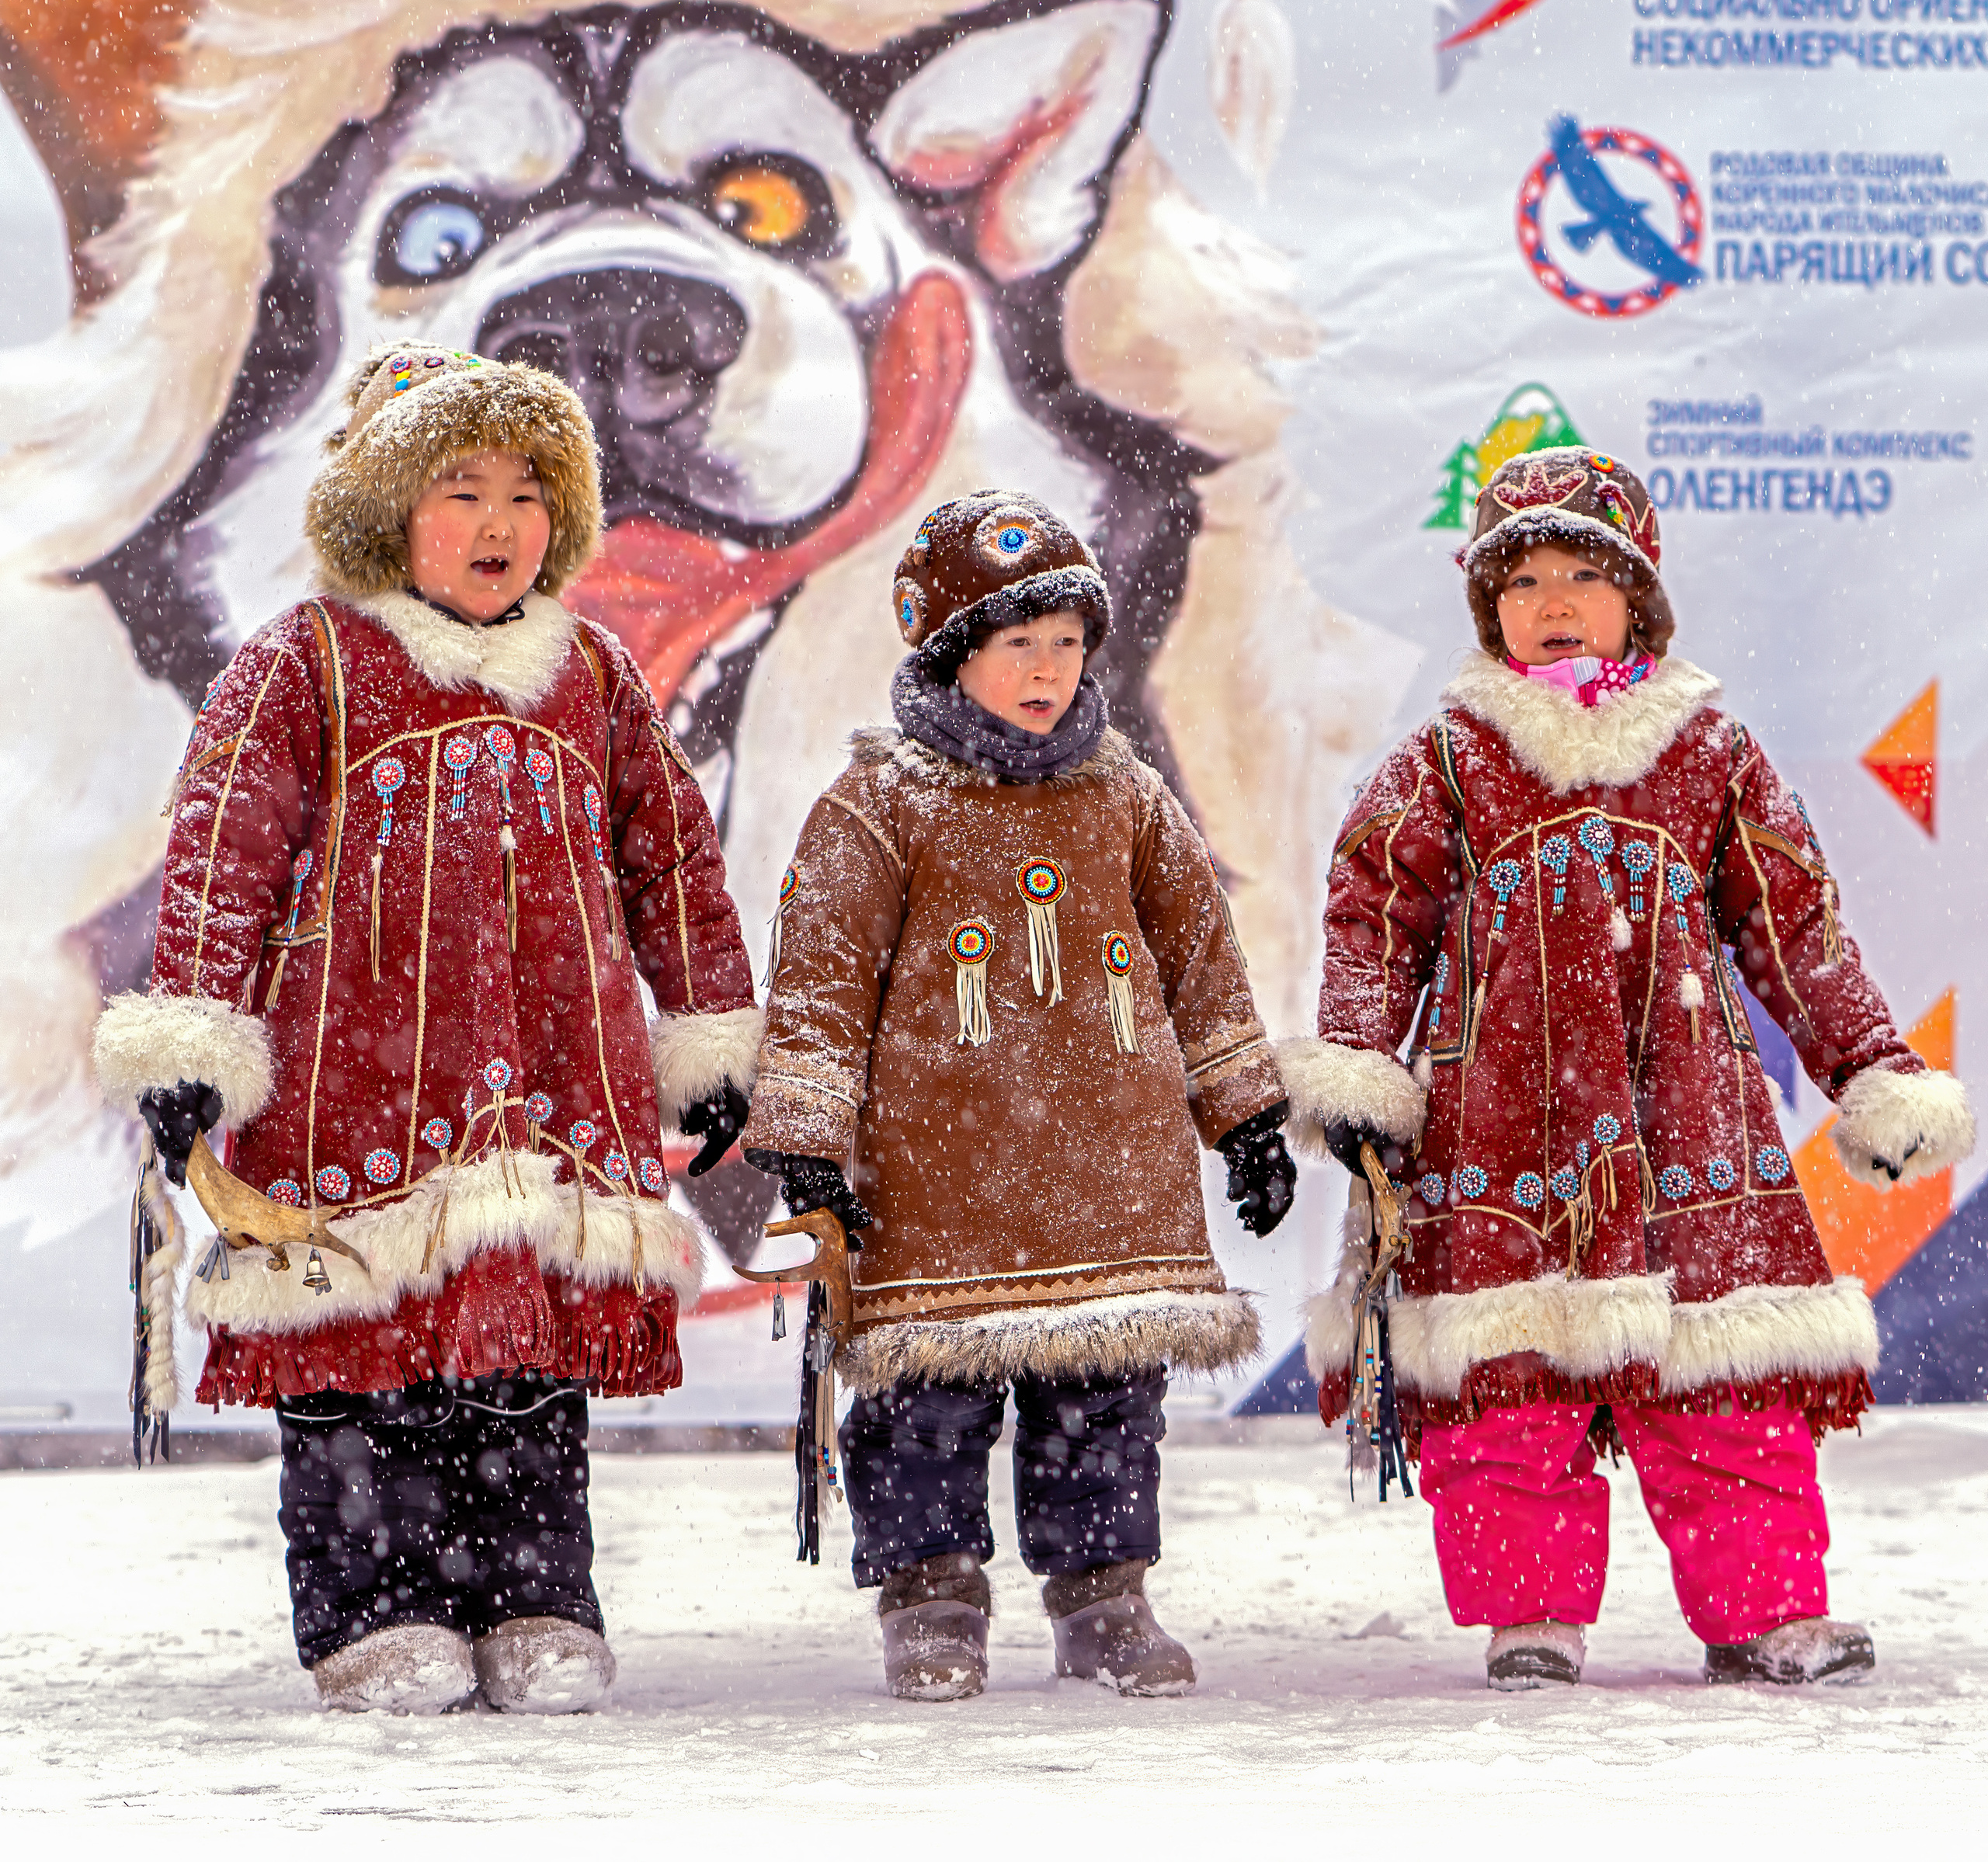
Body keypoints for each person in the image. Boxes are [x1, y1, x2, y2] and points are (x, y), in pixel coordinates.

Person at [93, 343, 760, 1714]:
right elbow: (223, 852)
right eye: (462, 488)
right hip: (354, 1089)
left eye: (529, 490)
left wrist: (705, 1028)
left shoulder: (594, 675)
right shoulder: (306, 662)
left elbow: (673, 857)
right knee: (366, 1353)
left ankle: (532, 1590)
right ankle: (371, 1605)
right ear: (385, 508)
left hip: (549, 1085)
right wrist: (191, 1048)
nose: (502, 523)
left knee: (518, 1364)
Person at [1283, 448, 1974, 1690]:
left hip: (1687, 1123)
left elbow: (1796, 926)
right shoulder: (1445, 758)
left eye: (1584, 576)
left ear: (1641, 599)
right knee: (1509, 1394)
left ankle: (1765, 1610)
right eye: (1523, 577)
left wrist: (1870, 1065)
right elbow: (1372, 917)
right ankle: (1530, 1616)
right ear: (1487, 606)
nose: (1551, 601)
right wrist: (1358, 1066)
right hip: (1497, 1128)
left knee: (1725, 1380)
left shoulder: (1710, 749)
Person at [739, 489, 1295, 1701]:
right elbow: (821, 980)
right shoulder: (880, 806)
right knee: (923, 1411)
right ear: (949, 652)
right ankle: (931, 1594)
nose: (1047, 671)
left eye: (1067, 643)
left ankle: (1105, 1594)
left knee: (1105, 1400)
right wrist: (808, 1146)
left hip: (1111, 1174)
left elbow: (1202, 956)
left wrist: (1246, 1115)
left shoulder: (1128, 794)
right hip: (937, 1178)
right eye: (1015, 644)